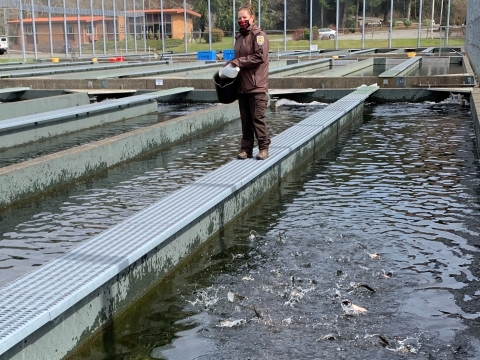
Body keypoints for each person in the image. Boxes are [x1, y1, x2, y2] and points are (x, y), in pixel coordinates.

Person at [227, 3, 270, 160]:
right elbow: (239, 58)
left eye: (244, 17)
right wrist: (230, 63)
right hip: (242, 86)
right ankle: (246, 149)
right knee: (245, 119)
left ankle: (264, 148)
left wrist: (238, 62)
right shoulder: (239, 37)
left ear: (252, 18)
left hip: (256, 85)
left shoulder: (258, 36)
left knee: (257, 118)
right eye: (239, 18)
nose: (242, 20)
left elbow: (259, 57)